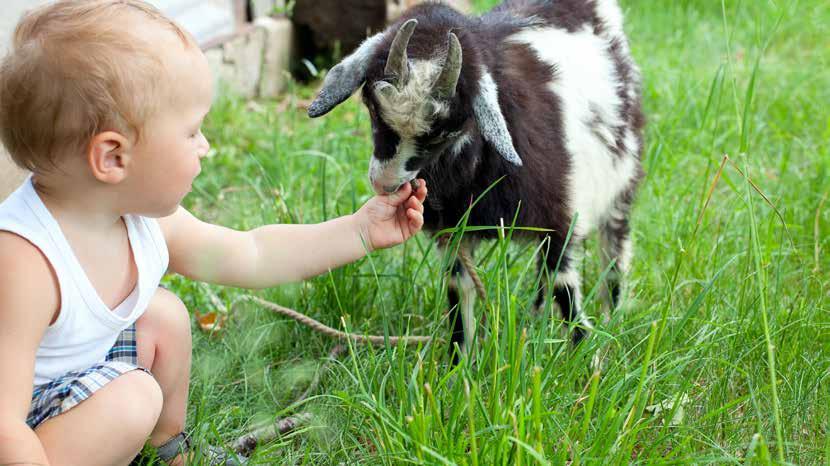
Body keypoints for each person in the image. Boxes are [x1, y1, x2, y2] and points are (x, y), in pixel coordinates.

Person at [0, 1, 427, 465]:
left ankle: (170, 452)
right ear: (112, 158)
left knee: (163, 316)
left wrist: (360, 230)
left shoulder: (140, 218)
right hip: (25, 430)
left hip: (74, 393)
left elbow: (253, 253)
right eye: (191, 132)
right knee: (134, 399)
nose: (206, 146)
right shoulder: (24, 262)